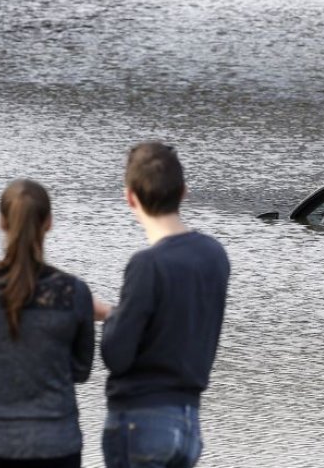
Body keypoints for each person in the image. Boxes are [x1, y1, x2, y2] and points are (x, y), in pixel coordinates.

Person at [98, 142, 230, 468]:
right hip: (188, 422)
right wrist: (115, 313)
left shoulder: (147, 265)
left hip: (140, 420)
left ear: (130, 198)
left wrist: (107, 317)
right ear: (184, 192)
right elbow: (174, 326)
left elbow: (116, 354)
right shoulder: (214, 255)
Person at [0, 179, 95, 468]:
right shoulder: (74, 292)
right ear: (49, 223)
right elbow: (80, 371)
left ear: (1, 222)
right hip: (55, 443)